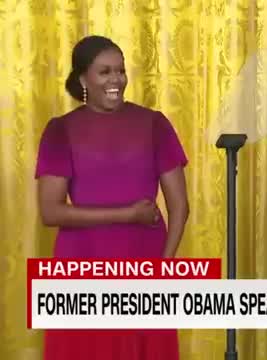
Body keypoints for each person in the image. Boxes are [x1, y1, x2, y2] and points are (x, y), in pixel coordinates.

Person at [35, 35, 189, 360]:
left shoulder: (154, 124)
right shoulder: (60, 130)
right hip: (82, 265)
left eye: (120, 71)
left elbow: (180, 207)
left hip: (143, 262)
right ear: (82, 79)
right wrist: (127, 214)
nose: (116, 80)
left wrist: (164, 267)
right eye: (104, 72)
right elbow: (50, 211)